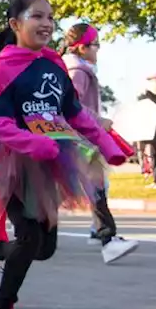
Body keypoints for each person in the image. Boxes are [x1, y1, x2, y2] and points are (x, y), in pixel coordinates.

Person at [0, 0, 127, 309]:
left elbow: (74, 113)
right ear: (16, 25)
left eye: (50, 17)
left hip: (49, 162)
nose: (46, 23)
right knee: (29, 236)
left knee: (44, 249)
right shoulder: (3, 68)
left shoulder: (56, 65)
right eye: (37, 16)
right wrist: (35, 144)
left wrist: (108, 146)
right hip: (7, 162)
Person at [60, 24, 139, 264]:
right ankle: (107, 238)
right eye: (96, 45)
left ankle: (99, 231)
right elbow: (70, 104)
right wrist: (98, 119)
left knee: (94, 185)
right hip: (79, 136)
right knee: (96, 186)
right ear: (82, 48)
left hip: (77, 135)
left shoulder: (75, 68)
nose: (98, 51)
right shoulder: (78, 72)